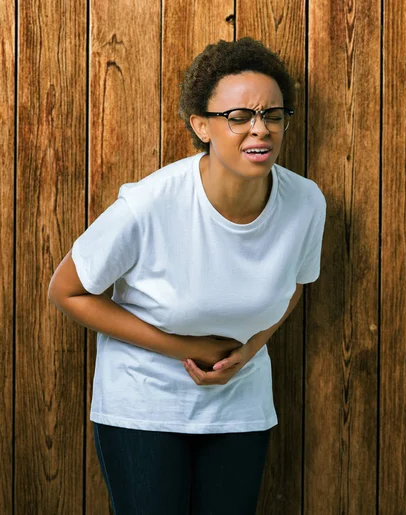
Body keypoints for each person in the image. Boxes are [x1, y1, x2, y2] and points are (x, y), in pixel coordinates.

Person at [48, 37, 326, 514]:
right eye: (238, 117)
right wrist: (187, 350)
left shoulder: (305, 202)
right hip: (144, 405)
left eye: (273, 115)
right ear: (202, 126)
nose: (260, 130)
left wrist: (249, 351)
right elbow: (66, 291)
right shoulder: (150, 204)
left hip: (241, 406)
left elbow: (294, 283)